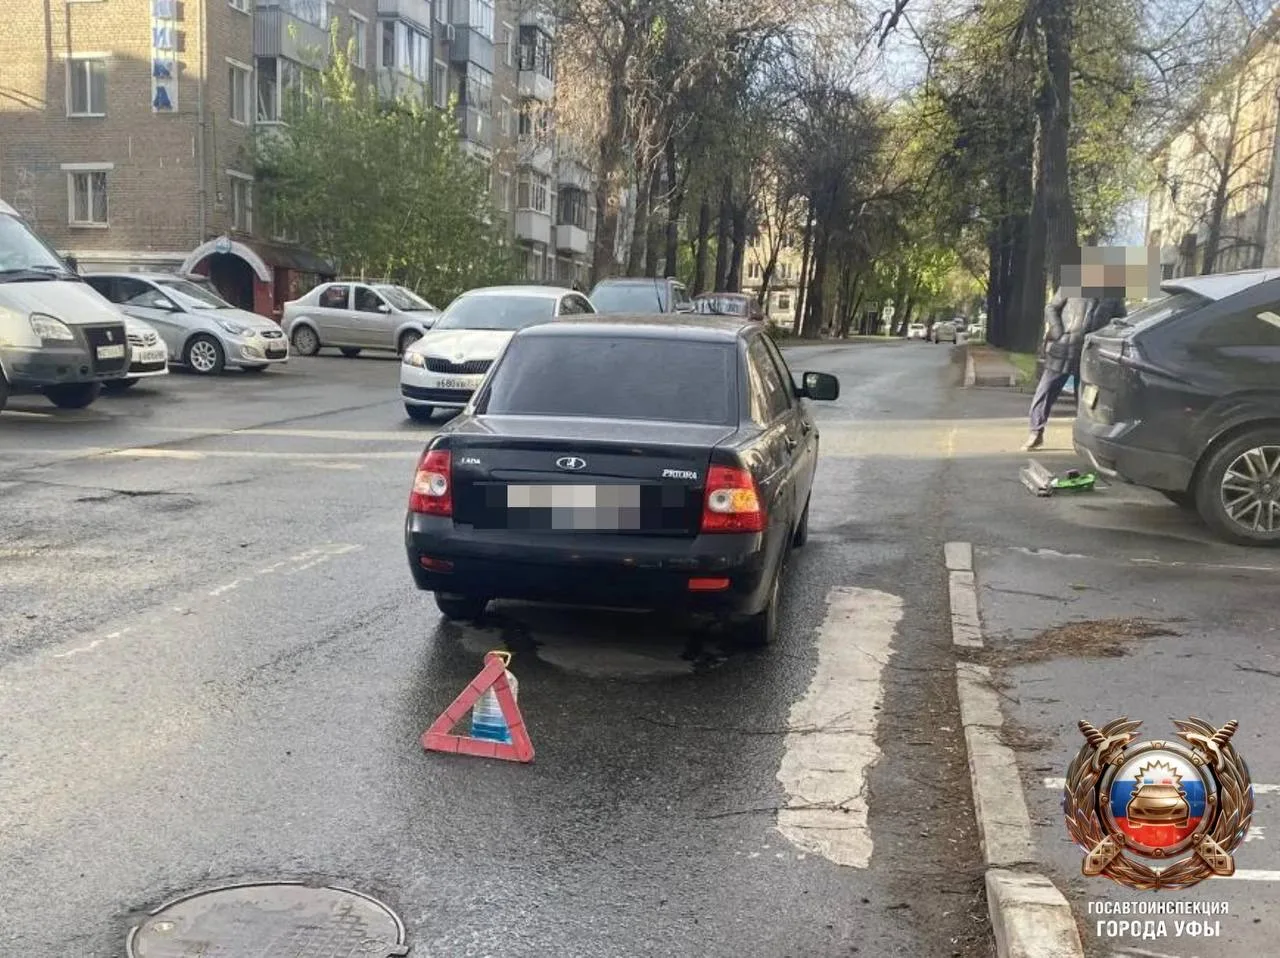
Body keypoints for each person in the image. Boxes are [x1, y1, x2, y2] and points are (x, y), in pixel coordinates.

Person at [1023, 264, 1126, 451]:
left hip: (1091, 352)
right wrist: (1057, 331)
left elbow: (1120, 321)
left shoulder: (1113, 294)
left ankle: (1085, 439)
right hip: (1064, 347)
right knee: (1046, 391)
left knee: (1087, 399)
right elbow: (1051, 308)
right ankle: (1036, 431)